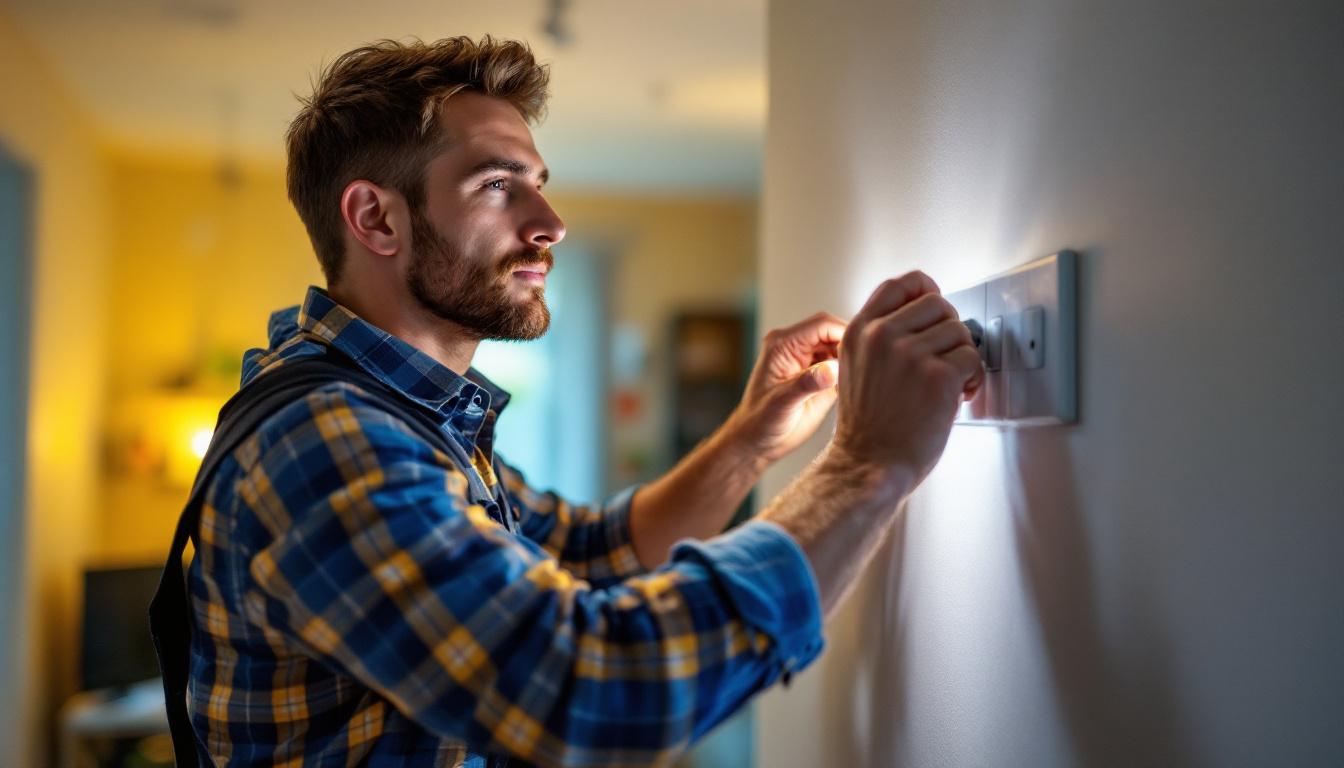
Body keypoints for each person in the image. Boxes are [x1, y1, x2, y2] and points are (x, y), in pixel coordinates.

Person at [168, 36, 984, 767]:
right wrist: (867, 463)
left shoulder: (416, 420)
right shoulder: (325, 439)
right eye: (498, 185)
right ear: (376, 218)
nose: (551, 222)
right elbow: (591, 696)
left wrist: (748, 440)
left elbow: (591, 552)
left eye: (539, 184)